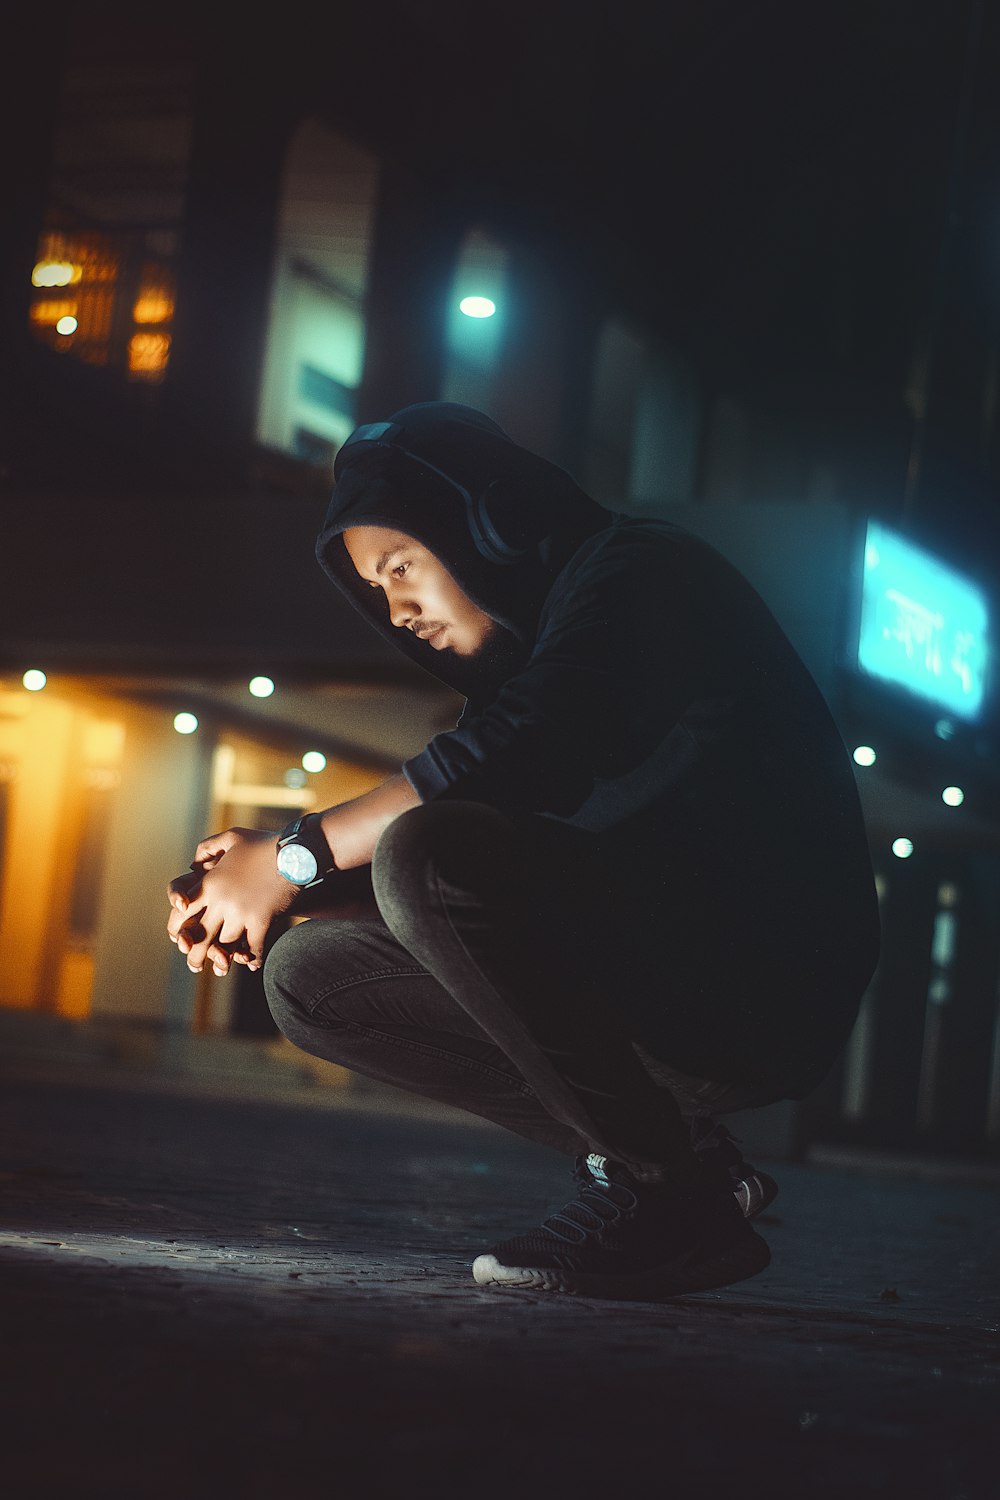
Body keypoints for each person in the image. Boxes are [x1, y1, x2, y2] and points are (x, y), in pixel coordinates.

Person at [166, 401, 880, 1301]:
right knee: (310, 976)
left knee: (431, 848)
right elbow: (507, 869)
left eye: (402, 568)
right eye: (377, 592)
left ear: (490, 524)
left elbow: (516, 755)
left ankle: (670, 1203)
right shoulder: (529, 658)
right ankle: (686, 1161)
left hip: (759, 974)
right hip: (657, 962)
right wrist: (270, 893)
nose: (398, 612)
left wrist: (292, 856)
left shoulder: (644, 573)